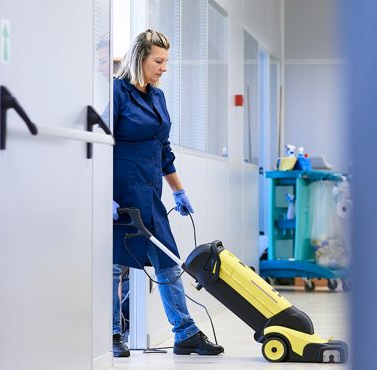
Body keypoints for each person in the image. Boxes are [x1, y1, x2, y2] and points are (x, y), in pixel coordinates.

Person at [111, 29, 224, 358]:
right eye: (158, 61)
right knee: (115, 265)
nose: (164, 67)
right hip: (120, 192)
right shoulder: (118, 92)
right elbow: (102, 142)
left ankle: (185, 332)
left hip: (150, 194)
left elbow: (164, 150)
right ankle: (112, 333)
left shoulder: (156, 97)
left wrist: (179, 191)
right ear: (139, 58)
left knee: (168, 262)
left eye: (166, 61)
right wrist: (103, 192)